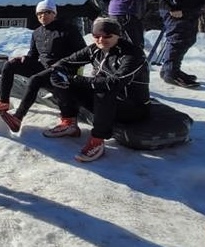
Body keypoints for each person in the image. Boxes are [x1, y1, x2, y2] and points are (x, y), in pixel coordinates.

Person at [38, 17, 151, 163]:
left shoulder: (132, 54)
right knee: (59, 78)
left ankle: (97, 140)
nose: (101, 40)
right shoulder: (95, 49)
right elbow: (65, 61)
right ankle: (69, 123)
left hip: (132, 106)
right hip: (104, 102)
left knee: (103, 90)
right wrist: (58, 72)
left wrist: (72, 79)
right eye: (97, 36)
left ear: (118, 35)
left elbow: (113, 83)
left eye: (108, 36)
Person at [0, 0, 86, 131]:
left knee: (35, 79)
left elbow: (83, 54)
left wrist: (66, 66)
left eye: (47, 12)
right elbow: (33, 55)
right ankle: (4, 102)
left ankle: (18, 118)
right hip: (43, 68)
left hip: (62, 71)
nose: (42, 16)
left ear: (54, 13)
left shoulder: (68, 30)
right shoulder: (37, 32)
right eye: (39, 14)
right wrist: (24, 59)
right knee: (9, 65)